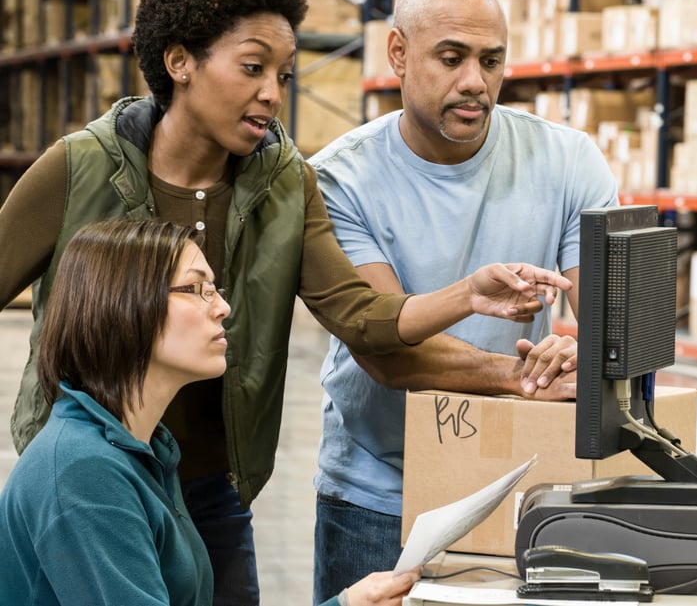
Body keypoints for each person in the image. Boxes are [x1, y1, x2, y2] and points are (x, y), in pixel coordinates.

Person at [0, 0, 570, 606]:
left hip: (203, 480)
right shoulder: (78, 168)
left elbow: (359, 313)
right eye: (252, 68)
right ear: (180, 61)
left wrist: (467, 294)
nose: (274, 91)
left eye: (284, 73)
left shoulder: (284, 182)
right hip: (96, 464)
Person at [309, 0, 619, 603]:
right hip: (377, 493)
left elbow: (612, 320)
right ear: (398, 53)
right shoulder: (340, 181)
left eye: (491, 60)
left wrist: (582, 352)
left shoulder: (566, 160)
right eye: (451, 58)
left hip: (516, 483)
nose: (475, 82)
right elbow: (386, 350)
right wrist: (525, 376)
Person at [0, 219, 422, 606]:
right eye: (197, 288)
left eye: (215, 289)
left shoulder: (143, 450)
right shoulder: (84, 474)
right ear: (127, 303)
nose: (222, 306)